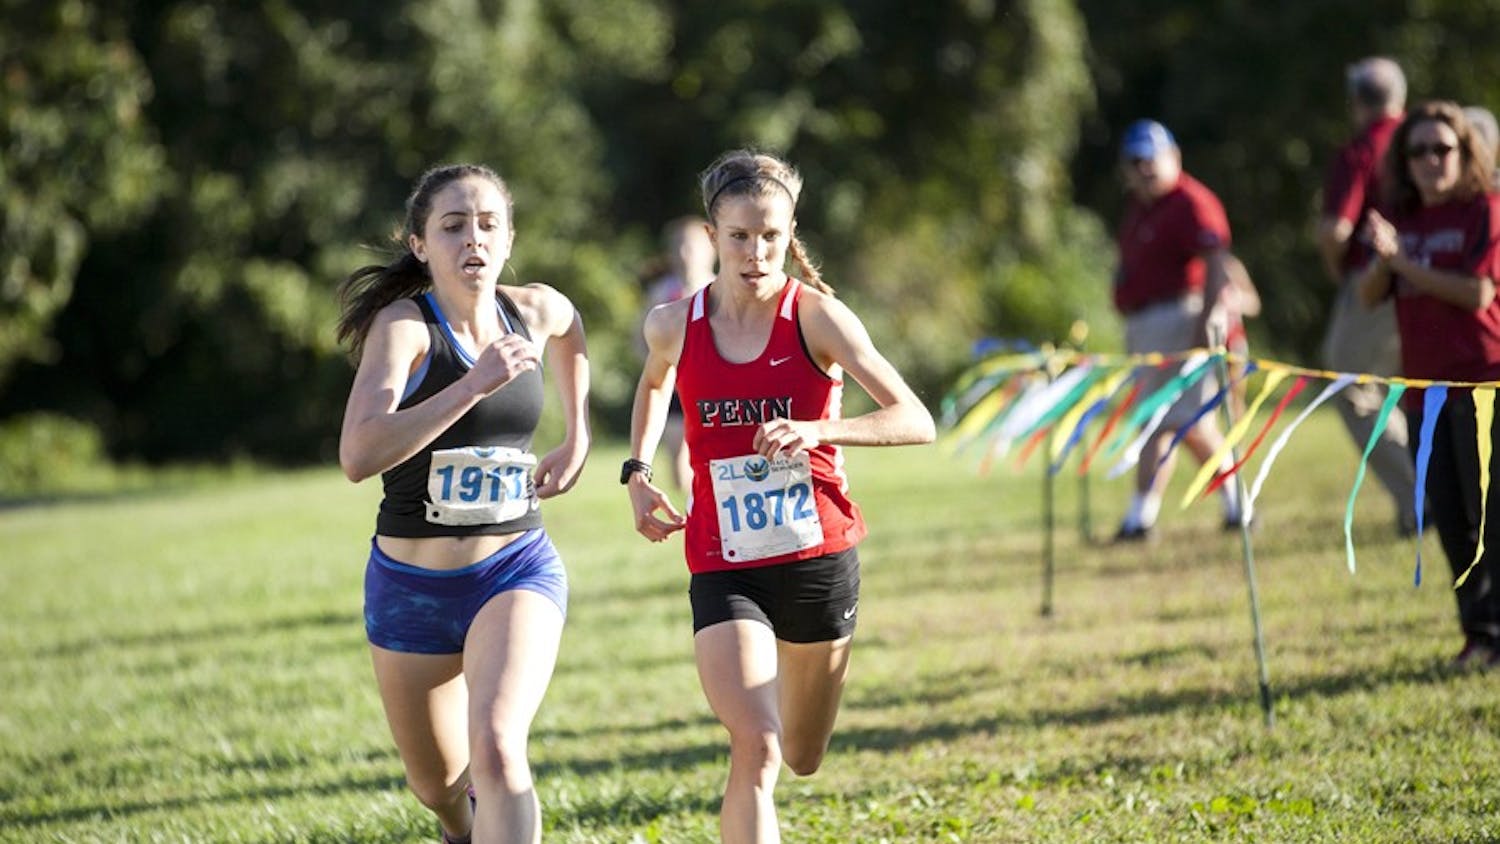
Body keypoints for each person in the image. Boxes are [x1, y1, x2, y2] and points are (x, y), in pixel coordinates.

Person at [624, 149, 935, 843]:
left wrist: (819, 430)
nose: (756, 252)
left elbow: (917, 419)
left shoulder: (818, 317)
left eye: (771, 236)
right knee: (757, 745)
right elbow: (653, 383)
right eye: (739, 236)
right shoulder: (673, 323)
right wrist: (638, 473)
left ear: (790, 235)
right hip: (724, 562)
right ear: (712, 236)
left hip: (817, 558)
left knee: (801, 753)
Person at [336, 163, 590, 844]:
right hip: (411, 588)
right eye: (453, 226)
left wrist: (578, 433)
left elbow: (571, 331)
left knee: (499, 747)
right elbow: (358, 454)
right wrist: (473, 384)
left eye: (487, 224)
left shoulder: (531, 309)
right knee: (438, 786)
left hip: (514, 569)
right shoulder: (404, 327)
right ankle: (462, 828)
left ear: (508, 240)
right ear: (420, 244)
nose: (473, 238)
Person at [1358, 101, 1500, 669]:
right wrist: (1382, 260)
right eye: (1417, 151)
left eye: (1442, 148)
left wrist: (1402, 262)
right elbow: (1369, 296)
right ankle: (1479, 634)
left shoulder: (1484, 210)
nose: (1429, 160)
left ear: (1465, 153)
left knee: (1491, 516)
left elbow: (1477, 293)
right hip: (1424, 393)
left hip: (1483, 386)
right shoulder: (1403, 218)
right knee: (1450, 519)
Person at [1110, 119, 1247, 541]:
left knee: (1187, 422)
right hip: (1149, 327)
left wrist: (1206, 321)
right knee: (1164, 423)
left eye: (1152, 159)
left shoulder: (1191, 201)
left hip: (1181, 320)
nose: (1145, 169)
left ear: (1174, 157)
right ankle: (1145, 517)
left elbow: (1216, 262)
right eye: (1136, 162)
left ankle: (1234, 507)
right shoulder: (1141, 207)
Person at [1318, 56, 1419, 535]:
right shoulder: (1428, 139)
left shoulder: (1360, 150)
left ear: (1357, 100)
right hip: (1438, 280)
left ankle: (1423, 497)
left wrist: (1336, 267)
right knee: (1413, 395)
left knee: (1353, 389)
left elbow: (1335, 230)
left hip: (1377, 287)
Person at [637, 216, 716, 491]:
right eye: (679, 247)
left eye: (691, 247)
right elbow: (642, 335)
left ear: (711, 250)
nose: (684, 254)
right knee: (676, 453)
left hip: (709, 386)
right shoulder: (662, 292)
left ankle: (706, 496)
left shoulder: (721, 291)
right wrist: (652, 366)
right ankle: (687, 503)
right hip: (672, 384)